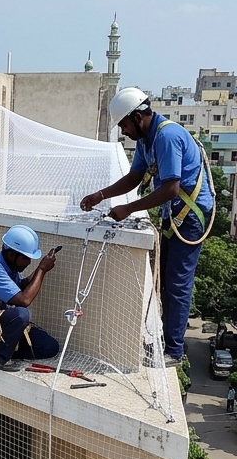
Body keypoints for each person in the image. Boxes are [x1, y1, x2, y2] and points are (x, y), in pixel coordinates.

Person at [80, 87, 215, 367]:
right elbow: (134, 178)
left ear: (138, 117)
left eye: (125, 125)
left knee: (177, 285)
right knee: (165, 282)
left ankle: (174, 351)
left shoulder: (166, 136)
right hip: (175, 215)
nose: (124, 131)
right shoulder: (146, 141)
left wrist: (128, 209)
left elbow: (171, 189)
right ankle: (168, 341)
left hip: (189, 217)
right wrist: (101, 195)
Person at [0, 225, 61, 370]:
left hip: (1, 330)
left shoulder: (10, 266)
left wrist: (42, 268)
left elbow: (21, 286)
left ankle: (5, 350)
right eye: (26, 258)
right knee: (22, 314)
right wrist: (42, 269)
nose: (28, 262)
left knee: (50, 346)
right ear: (11, 255)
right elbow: (24, 300)